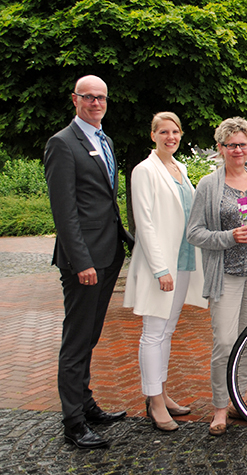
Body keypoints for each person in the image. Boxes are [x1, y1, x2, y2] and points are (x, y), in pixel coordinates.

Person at [43, 75, 133, 449]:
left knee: (91, 335)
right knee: (77, 340)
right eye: (88, 97)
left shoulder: (105, 140)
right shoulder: (62, 143)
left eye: (101, 97)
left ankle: (86, 403)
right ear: (75, 100)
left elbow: (105, 202)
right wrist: (81, 262)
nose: (96, 103)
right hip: (85, 261)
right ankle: (73, 422)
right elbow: (64, 212)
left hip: (109, 253)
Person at [186, 117, 247, 436]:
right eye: (231, 145)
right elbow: (194, 232)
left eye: (243, 144)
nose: (238, 150)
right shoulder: (208, 185)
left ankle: (239, 400)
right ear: (220, 148)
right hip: (226, 274)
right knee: (225, 341)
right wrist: (229, 236)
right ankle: (219, 407)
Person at [123, 112, 207, 432]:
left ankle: (162, 392)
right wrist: (160, 269)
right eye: (163, 132)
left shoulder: (180, 169)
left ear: (181, 134)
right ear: (153, 135)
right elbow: (143, 222)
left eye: (175, 132)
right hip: (161, 266)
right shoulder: (145, 170)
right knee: (153, 333)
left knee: (167, 332)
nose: (170, 136)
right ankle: (154, 403)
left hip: (183, 261)